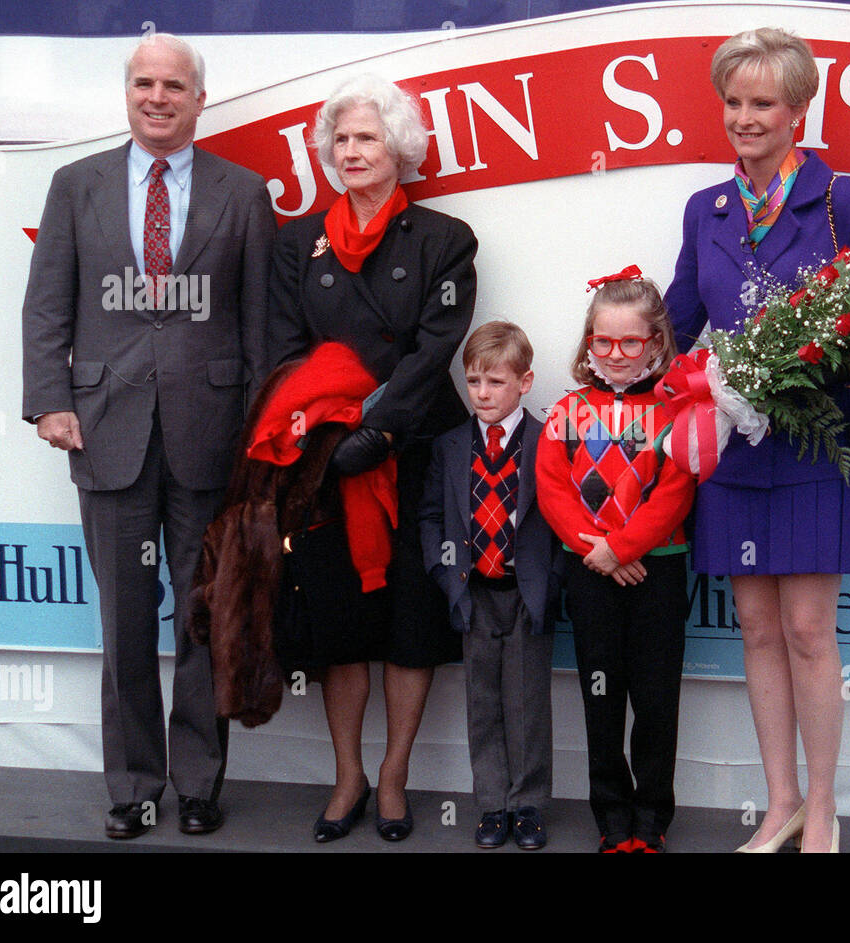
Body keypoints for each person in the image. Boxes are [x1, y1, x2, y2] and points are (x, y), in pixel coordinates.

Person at [20, 33, 274, 840]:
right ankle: (132, 785)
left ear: (200, 99)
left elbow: (263, 323)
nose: (157, 97)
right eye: (144, 83)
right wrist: (48, 402)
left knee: (205, 613)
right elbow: (45, 309)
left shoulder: (243, 192)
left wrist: (260, 432)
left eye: (173, 85)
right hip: (106, 432)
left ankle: (198, 782)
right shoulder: (74, 186)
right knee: (125, 619)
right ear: (126, 93)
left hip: (212, 434)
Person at [663, 28, 850, 853]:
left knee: (806, 628)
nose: (745, 117)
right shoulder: (707, 209)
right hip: (733, 448)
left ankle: (826, 808)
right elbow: (677, 319)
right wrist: (613, 346)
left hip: (818, 444)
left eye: (763, 102)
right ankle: (781, 802)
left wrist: (795, 361)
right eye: (734, 101)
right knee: (756, 628)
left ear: (799, 109)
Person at [267, 73, 476, 843]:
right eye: (342, 139)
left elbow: (431, 351)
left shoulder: (445, 239)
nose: (352, 151)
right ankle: (347, 773)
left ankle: (393, 776)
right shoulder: (294, 243)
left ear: (401, 151)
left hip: (415, 450)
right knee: (340, 620)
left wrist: (379, 430)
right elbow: (285, 349)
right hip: (324, 456)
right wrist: (330, 433)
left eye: (368, 138)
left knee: (411, 622)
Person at [535, 271, 696, 853]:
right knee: (600, 694)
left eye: (631, 342)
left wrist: (622, 548)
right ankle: (611, 816)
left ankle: (652, 817)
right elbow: (553, 490)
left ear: (656, 342)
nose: (617, 354)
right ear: (588, 341)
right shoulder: (566, 410)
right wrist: (596, 550)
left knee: (656, 698)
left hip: (658, 570)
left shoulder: (678, 409)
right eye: (604, 342)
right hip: (591, 574)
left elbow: (676, 491)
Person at [418, 321, 560, 850]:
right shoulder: (451, 446)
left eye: (495, 383)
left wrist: (551, 581)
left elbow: (564, 520)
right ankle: (491, 805)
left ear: (524, 382)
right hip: (473, 594)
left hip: (526, 595)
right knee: (483, 706)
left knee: (527, 706)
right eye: (474, 381)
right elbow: (431, 516)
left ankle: (528, 806)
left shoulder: (546, 441)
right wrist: (444, 571)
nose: (483, 393)